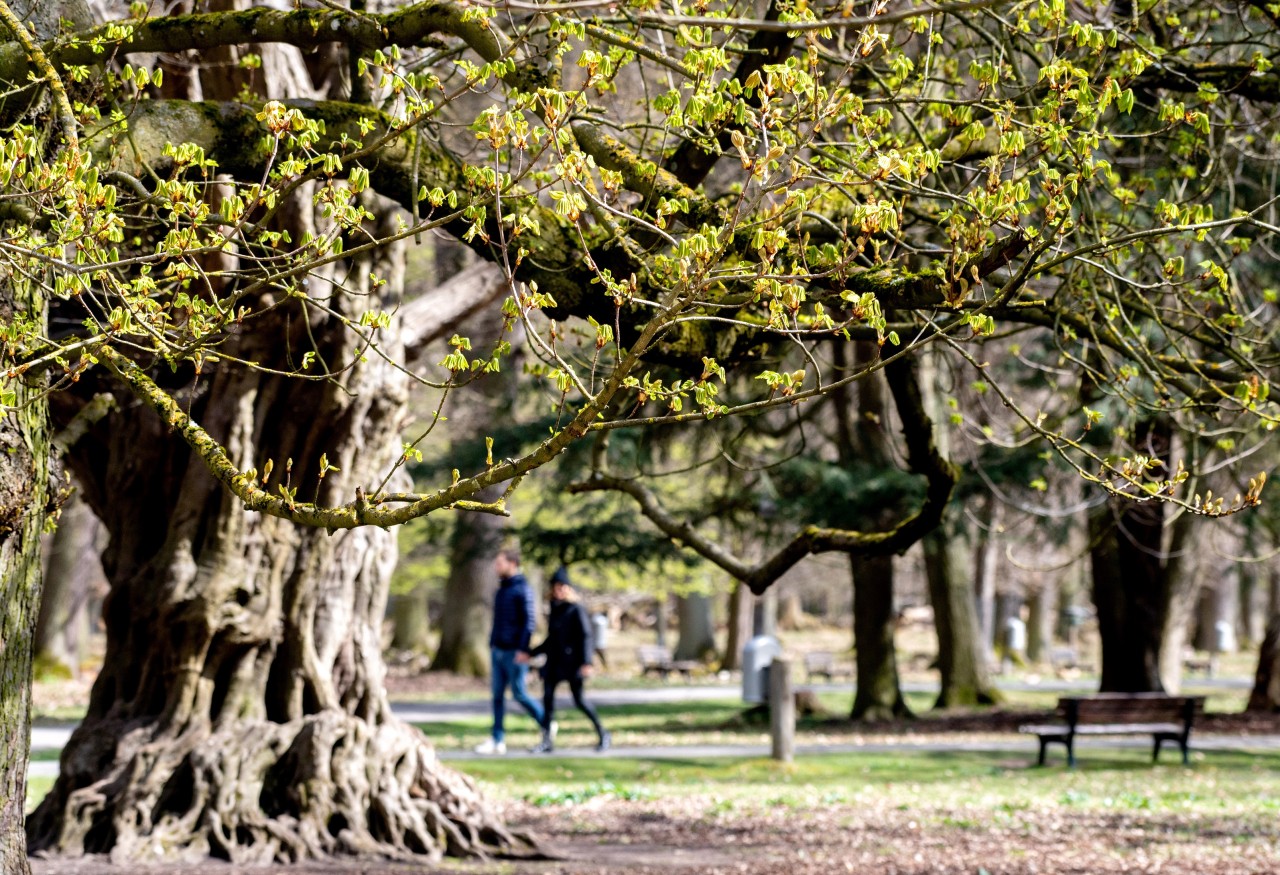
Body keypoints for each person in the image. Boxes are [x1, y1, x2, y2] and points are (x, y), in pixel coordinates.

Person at [529, 567, 611, 753]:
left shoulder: (576, 609)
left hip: (572, 662)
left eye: (562, 586)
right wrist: (532, 653)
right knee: (548, 699)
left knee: (579, 700)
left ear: (568, 588)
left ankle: (603, 733)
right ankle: (547, 739)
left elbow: (586, 636)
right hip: (554, 663)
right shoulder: (554, 609)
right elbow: (551, 639)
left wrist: (586, 662)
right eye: (556, 587)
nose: (559, 590)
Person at [474, 547, 545, 755]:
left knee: (519, 693)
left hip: (515, 652)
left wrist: (524, 649)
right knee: (497, 696)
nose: (496, 567)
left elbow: (529, 622)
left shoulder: (522, 588)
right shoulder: (502, 589)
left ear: (512, 564)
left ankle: (546, 722)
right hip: (498, 650)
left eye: (500, 563)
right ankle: (497, 740)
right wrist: (493, 643)